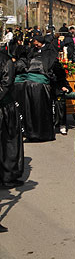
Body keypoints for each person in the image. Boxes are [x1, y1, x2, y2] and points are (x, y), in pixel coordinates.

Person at [14, 36, 69, 142]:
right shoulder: (51, 58)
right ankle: (42, 134)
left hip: (28, 85)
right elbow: (59, 72)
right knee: (42, 110)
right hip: (41, 86)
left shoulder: (32, 57)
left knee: (30, 110)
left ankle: (30, 133)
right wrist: (61, 82)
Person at [0, 45, 24, 189]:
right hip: (5, 108)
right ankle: (7, 176)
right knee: (9, 142)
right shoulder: (6, 60)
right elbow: (6, 84)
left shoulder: (6, 60)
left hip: (5, 106)